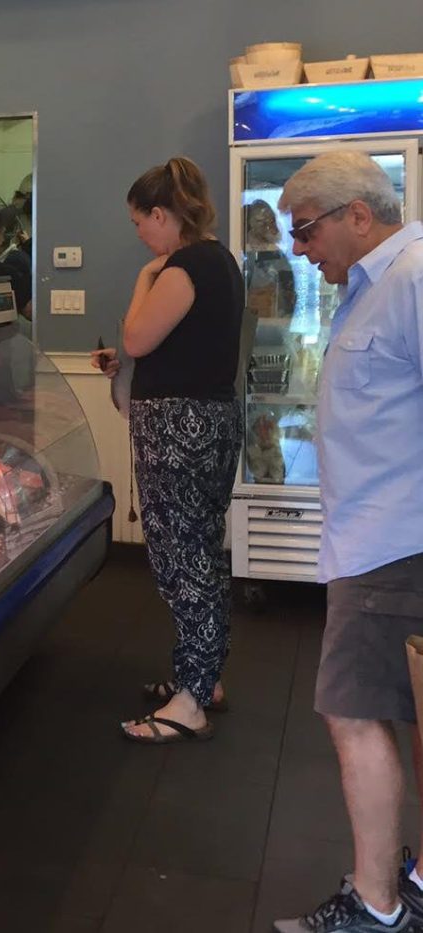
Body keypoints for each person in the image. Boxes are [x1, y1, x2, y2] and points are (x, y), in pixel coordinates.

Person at [273, 151, 423, 933]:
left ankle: (376, 905)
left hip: (391, 545)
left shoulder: (411, 278)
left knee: (352, 711)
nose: (300, 249)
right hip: (374, 539)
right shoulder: (373, 285)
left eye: (306, 230)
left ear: (359, 215)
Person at [90, 156, 244, 745]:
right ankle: (202, 679)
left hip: (180, 430)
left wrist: (144, 278)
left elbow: (136, 337)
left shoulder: (182, 267)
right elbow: (179, 345)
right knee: (201, 551)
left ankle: (191, 702)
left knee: (182, 558)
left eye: (138, 221)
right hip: (211, 423)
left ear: (161, 214)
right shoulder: (220, 260)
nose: (138, 234)